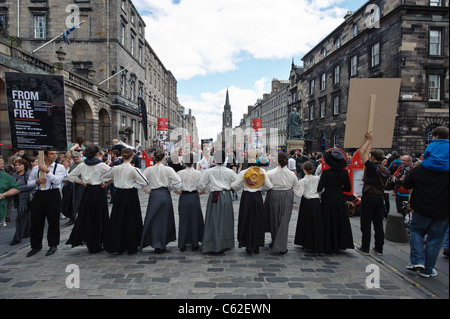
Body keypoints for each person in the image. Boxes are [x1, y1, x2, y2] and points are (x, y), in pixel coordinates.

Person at [403, 155, 449, 277]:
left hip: (421, 208)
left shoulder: (420, 168)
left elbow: (406, 184)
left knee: (417, 232)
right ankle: (428, 270)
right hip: (443, 211)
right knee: (435, 240)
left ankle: (418, 260)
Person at [66, 145, 112, 254]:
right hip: (98, 191)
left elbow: (70, 176)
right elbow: (113, 175)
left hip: (87, 191)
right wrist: (106, 184)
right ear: (97, 154)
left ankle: (91, 242)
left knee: (87, 216)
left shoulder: (82, 165)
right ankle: (99, 241)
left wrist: (82, 182)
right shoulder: (101, 165)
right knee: (99, 216)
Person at [102, 148, 148, 255]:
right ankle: (131, 245)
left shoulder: (115, 168)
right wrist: (134, 180)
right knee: (131, 219)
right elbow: (145, 181)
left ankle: (118, 245)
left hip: (119, 194)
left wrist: (113, 180)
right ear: (132, 156)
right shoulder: (134, 169)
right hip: (131, 194)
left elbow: (103, 177)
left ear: (121, 156)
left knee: (118, 219)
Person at [141, 150, 182, 254]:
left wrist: (146, 189)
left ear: (154, 157)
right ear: (164, 158)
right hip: (164, 194)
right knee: (164, 220)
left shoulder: (148, 169)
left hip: (154, 194)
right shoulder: (168, 169)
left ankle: (155, 243)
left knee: (153, 219)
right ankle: (162, 243)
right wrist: (171, 187)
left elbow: (140, 181)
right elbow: (178, 182)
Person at [356, 131, 390, 256]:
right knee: (378, 223)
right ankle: (379, 248)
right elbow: (385, 184)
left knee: (366, 222)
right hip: (380, 196)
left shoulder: (371, 166)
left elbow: (361, 152)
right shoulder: (385, 169)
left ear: (373, 157)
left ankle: (365, 247)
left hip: (369, 195)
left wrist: (369, 140)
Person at [26, 150, 66, 257]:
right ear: (45, 155)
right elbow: (29, 183)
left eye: (55, 154)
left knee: (53, 220)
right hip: (39, 194)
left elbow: (57, 181)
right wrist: (37, 181)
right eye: (52, 154)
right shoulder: (36, 168)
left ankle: (53, 244)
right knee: (36, 221)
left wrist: (47, 172)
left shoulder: (59, 167)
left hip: (53, 194)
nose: (54, 155)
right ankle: (36, 245)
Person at [198, 150, 237, 254]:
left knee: (213, 220)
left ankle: (212, 244)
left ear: (214, 159)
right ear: (224, 159)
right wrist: (231, 188)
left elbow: (201, 185)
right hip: (226, 196)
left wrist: (206, 190)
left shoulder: (209, 171)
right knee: (226, 220)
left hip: (214, 196)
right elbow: (238, 184)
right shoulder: (230, 172)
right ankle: (225, 243)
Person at [264, 152, 301, 254]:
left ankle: (276, 241)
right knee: (284, 220)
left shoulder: (270, 173)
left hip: (273, 194)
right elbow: (297, 187)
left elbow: (266, 186)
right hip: (287, 196)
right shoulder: (291, 174)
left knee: (273, 219)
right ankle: (280, 244)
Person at [318, 149, 354, 254]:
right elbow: (348, 188)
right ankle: (339, 244)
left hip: (327, 198)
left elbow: (320, 188)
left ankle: (327, 244)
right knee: (339, 221)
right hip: (339, 198)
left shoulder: (326, 173)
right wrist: (339, 190)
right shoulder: (344, 173)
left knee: (327, 221)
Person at [231, 164, 273, 255]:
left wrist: (242, 185)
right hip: (257, 196)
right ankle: (256, 244)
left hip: (246, 197)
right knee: (257, 220)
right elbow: (269, 186)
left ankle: (247, 245)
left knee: (246, 220)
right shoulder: (262, 172)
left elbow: (234, 186)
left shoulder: (243, 172)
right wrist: (260, 187)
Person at [175, 152, 205, 252]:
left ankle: (182, 243)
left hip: (183, 196)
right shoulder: (199, 173)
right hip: (194, 196)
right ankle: (194, 243)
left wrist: (178, 191)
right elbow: (204, 186)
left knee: (183, 220)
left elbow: (174, 185)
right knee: (195, 220)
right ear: (194, 161)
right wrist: (200, 192)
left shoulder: (180, 173)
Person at [294, 161, 324, 256]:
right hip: (316, 202)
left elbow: (299, 194)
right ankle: (317, 245)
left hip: (306, 203)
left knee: (307, 224)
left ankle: (307, 244)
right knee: (316, 224)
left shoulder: (302, 181)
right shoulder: (318, 178)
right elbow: (322, 190)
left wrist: (294, 188)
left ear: (303, 169)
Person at [10, 159, 37, 245]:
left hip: (26, 199)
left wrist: (18, 189)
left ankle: (17, 238)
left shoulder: (28, 174)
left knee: (20, 218)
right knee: (25, 216)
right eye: (16, 165)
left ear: (24, 166)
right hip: (17, 198)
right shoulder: (14, 175)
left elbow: (32, 185)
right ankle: (27, 232)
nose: (17, 166)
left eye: (19, 165)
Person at [62, 152, 84, 227]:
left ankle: (77, 218)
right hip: (73, 185)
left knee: (78, 203)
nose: (76, 158)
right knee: (73, 202)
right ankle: (73, 218)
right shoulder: (72, 165)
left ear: (80, 157)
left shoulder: (83, 164)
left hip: (81, 185)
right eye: (74, 157)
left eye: (77, 157)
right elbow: (70, 174)